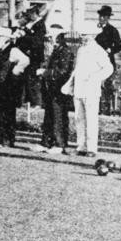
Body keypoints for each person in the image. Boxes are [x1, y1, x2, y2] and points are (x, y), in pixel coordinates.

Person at [62, 34, 114, 157]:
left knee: (91, 119)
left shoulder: (98, 51)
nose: (84, 38)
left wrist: (95, 77)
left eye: (87, 36)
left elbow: (108, 68)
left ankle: (92, 148)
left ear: (93, 36)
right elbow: (77, 69)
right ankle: (81, 147)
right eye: (83, 35)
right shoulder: (80, 50)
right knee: (79, 119)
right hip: (79, 89)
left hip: (91, 90)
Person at [33, 24, 75, 154]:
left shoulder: (65, 51)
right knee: (49, 115)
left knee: (58, 116)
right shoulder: (57, 49)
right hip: (51, 88)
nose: (49, 37)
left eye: (52, 34)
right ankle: (46, 142)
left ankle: (59, 143)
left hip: (59, 88)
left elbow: (62, 71)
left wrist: (45, 72)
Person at [0, 28, 30, 148]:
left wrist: (16, 70)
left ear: (6, 38)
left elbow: (26, 60)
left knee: (7, 113)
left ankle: (7, 138)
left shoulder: (13, 50)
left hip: (9, 86)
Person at [94, 5, 121, 115]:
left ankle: (105, 111)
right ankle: (95, 109)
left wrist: (110, 49)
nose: (102, 18)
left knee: (106, 86)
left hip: (107, 62)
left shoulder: (112, 30)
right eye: (101, 16)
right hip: (94, 62)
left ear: (108, 18)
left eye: (105, 16)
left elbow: (120, 45)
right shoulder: (94, 29)